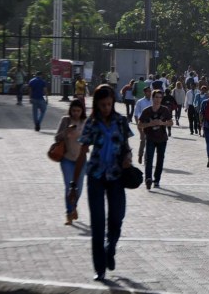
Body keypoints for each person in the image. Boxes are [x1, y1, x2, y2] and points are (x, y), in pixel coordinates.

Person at [73, 84, 133, 281]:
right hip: (96, 177)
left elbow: (126, 147)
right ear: (96, 105)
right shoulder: (91, 123)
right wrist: (74, 184)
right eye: (102, 105)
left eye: (109, 104)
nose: (106, 108)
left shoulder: (121, 122)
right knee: (97, 223)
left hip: (116, 176)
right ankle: (100, 268)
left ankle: (111, 247)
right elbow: (82, 153)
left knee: (117, 217)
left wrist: (128, 157)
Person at [54, 99, 88, 225]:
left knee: (78, 189)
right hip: (66, 159)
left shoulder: (85, 122)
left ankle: (73, 207)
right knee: (69, 187)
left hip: (81, 160)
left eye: (78, 111)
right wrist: (65, 132)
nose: (76, 113)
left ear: (82, 111)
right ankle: (69, 213)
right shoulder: (65, 120)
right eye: (73, 110)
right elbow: (56, 137)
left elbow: (90, 138)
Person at [137, 90, 173, 189]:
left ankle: (157, 180)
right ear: (152, 98)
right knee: (149, 159)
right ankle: (148, 179)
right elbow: (140, 124)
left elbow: (171, 122)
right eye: (156, 97)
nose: (158, 99)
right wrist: (150, 124)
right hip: (150, 138)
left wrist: (162, 123)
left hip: (162, 138)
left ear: (162, 99)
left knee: (160, 160)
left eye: (160, 97)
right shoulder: (147, 111)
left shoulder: (165, 110)